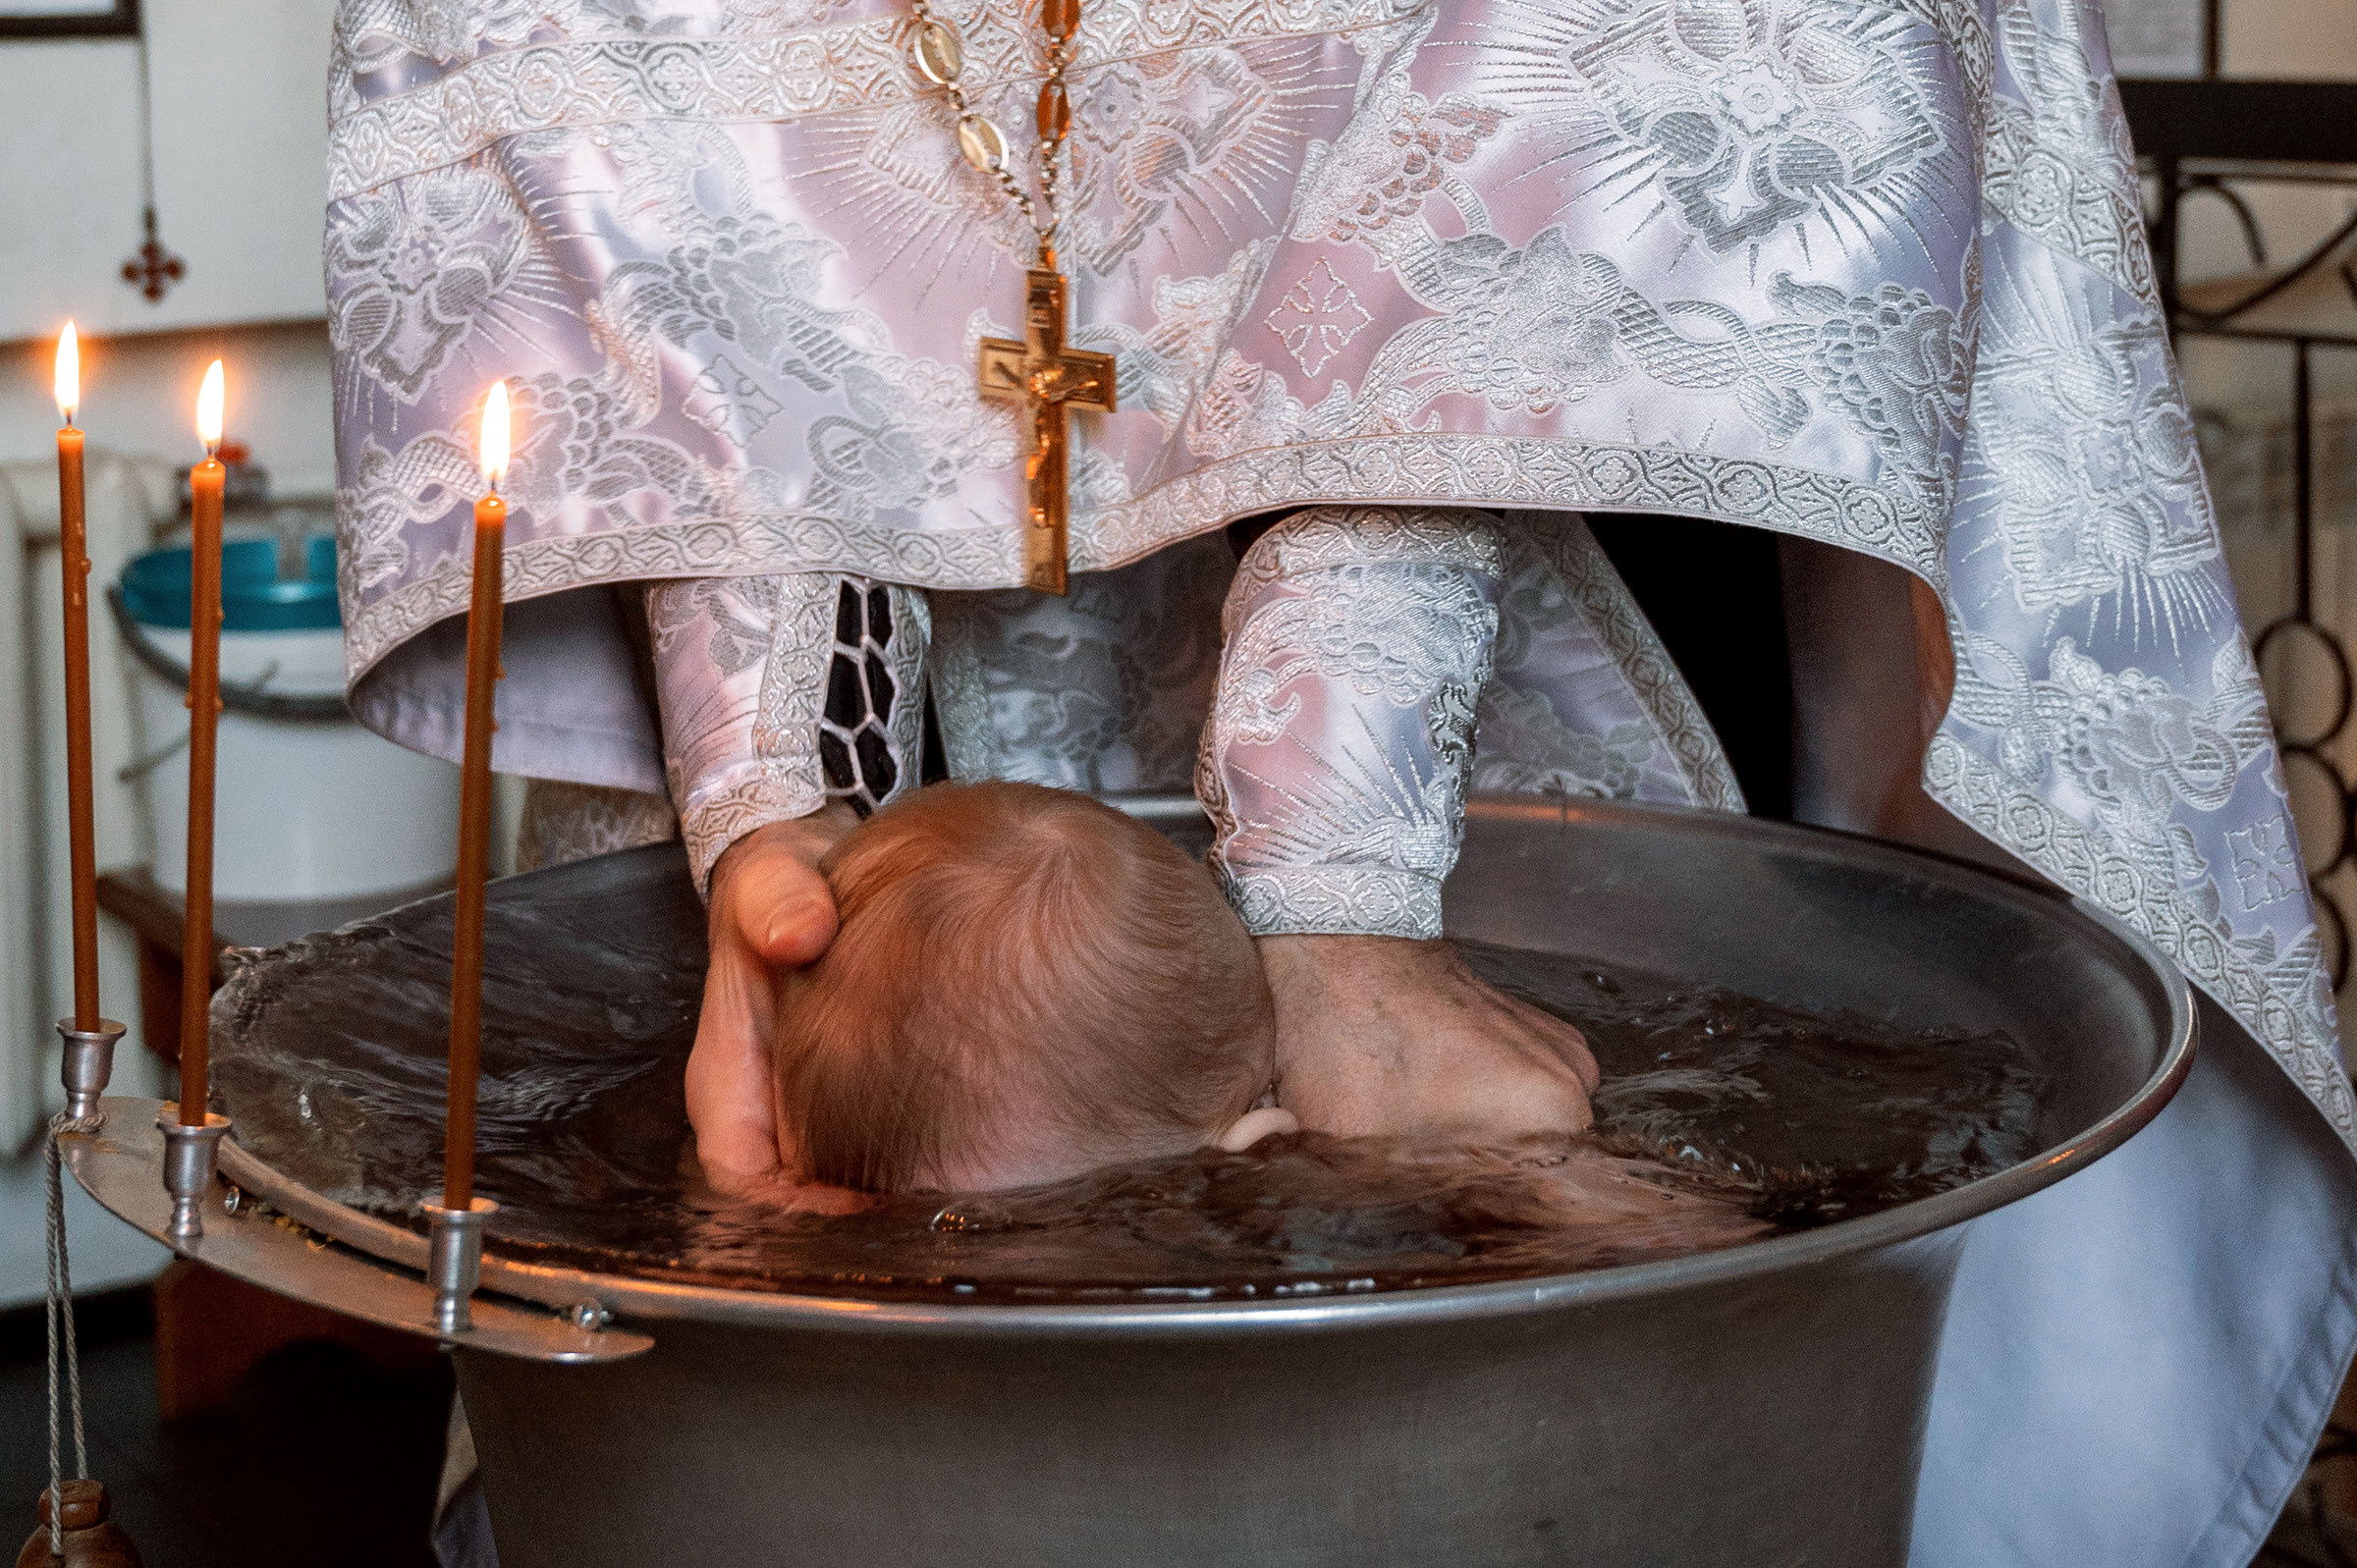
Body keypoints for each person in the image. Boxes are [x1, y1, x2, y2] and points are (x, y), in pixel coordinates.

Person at [334, 1, 2357, 1563]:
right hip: (875, 646)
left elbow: (1588, 95)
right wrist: (781, 790)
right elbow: (642, 107)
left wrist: (1344, 870)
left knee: (1565, 1386)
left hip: (1555, 535)